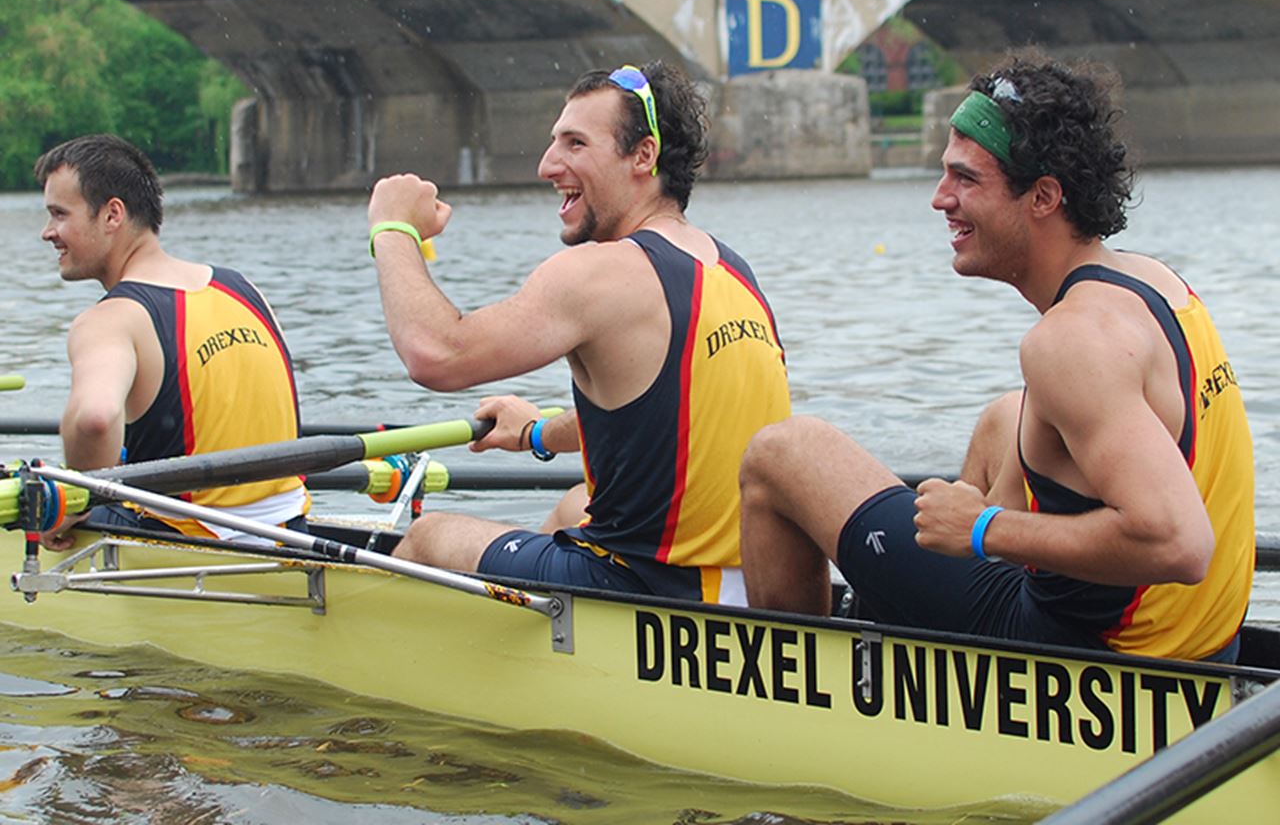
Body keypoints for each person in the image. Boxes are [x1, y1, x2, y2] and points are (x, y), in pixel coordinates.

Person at [738, 52, 1253, 662]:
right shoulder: (1155, 283)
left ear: (1042, 197)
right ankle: (910, 625)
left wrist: (981, 530)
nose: (939, 199)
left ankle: (797, 695)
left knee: (782, 453)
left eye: (966, 180)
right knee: (1004, 419)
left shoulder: (1070, 342)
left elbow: (1180, 545)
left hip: (1091, 659)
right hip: (1204, 646)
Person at [366, 61, 790, 604]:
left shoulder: (600, 272)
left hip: (653, 593)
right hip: (749, 584)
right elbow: (671, 421)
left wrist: (392, 227)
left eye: (575, 144)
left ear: (643, 156)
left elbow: (436, 355)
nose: (547, 165)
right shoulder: (733, 271)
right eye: (554, 143)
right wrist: (535, 434)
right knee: (574, 504)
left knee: (428, 538)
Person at [35, 134, 309, 546]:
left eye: (59, 214)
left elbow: (95, 418)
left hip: (184, 545)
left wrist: (76, 505)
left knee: (39, 505)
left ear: (112, 215)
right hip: (289, 532)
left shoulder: (109, 320)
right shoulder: (242, 288)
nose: (47, 232)